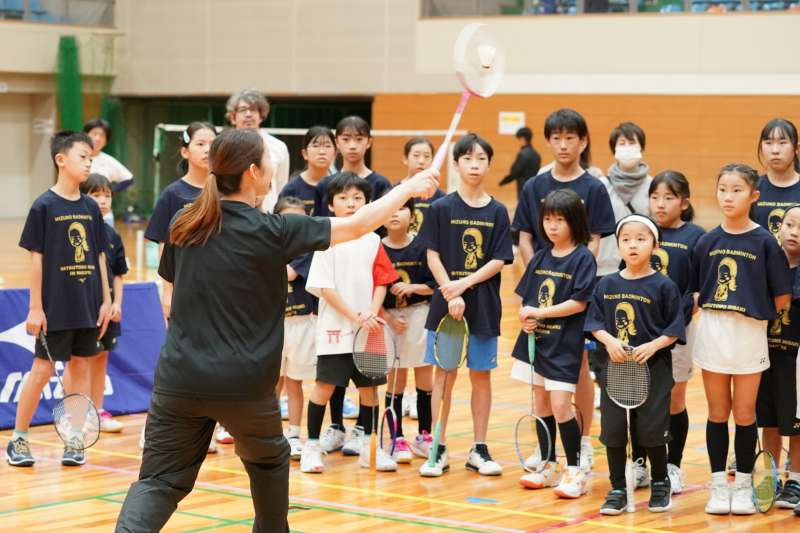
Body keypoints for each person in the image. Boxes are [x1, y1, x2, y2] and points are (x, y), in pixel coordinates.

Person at [114, 128, 439, 532]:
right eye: (269, 162)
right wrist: (407, 187)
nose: (273, 169)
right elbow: (357, 226)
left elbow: (172, 290)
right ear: (253, 171)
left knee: (159, 482)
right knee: (268, 466)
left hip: (179, 378)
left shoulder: (185, 223)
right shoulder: (273, 230)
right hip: (246, 385)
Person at [513, 109, 616, 471]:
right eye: (556, 137)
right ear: (548, 141)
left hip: (577, 289)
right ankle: (546, 450)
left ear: (583, 141)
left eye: (570, 137)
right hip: (541, 287)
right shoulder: (534, 186)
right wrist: (540, 278)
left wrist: (571, 277)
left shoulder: (594, 187)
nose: (563, 144)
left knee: (579, 366)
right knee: (540, 371)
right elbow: (525, 238)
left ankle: (582, 442)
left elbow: (595, 239)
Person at [691, 163, 792, 515]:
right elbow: (695, 290)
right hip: (713, 331)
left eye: (737, 190)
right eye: (723, 189)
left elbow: (782, 294)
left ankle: (745, 485)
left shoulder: (764, 241)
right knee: (718, 413)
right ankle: (719, 485)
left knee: (746, 414)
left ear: (754, 196)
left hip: (749, 334)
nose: (728, 196)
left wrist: (754, 315)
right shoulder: (706, 241)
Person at [6, 131, 111, 468]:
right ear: (61, 160)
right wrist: (35, 307)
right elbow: (36, 261)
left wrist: (106, 300)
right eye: (83, 156)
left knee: (80, 368)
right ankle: (18, 438)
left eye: (91, 158)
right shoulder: (44, 206)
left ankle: (74, 436)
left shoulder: (91, 208)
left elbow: (99, 256)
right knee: (42, 369)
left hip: (88, 303)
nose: (89, 163)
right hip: (55, 306)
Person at [417, 133, 514, 478]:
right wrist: (450, 292)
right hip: (446, 304)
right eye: (468, 159)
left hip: (483, 304)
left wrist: (463, 285)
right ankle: (438, 446)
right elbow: (432, 255)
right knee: (444, 374)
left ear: (489, 164)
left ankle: (479, 448)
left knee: (481, 376)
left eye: (481, 159)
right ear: (456, 164)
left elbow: (499, 260)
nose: (475, 165)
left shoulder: (498, 211)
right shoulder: (441, 208)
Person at [300, 172, 400, 474]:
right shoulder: (325, 240)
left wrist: (370, 311)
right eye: (343, 198)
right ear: (331, 205)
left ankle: (370, 448)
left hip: (369, 330)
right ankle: (311, 447)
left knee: (369, 391)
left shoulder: (373, 240)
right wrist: (353, 315)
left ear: (367, 203)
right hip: (335, 330)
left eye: (357, 198)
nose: (351, 203)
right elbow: (324, 287)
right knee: (324, 387)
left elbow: (382, 280)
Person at [586, 214, 685, 515]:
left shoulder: (664, 286)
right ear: (618, 245)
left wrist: (652, 346)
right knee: (614, 430)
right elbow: (594, 323)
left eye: (641, 239)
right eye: (626, 239)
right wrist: (609, 342)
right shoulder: (606, 283)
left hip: (654, 370)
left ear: (655, 246)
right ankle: (617, 488)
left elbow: (674, 329)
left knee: (652, 430)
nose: (633, 245)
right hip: (615, 369)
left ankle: (660, 482)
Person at [512, 189, 596, 498]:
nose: (553, 226)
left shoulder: (583, 258)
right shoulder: (540, 256)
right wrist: (526, 317)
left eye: (560, 220)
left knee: (561, 405)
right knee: (542, 404)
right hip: (537, 341)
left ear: (574, 221)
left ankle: (575, 471)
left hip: (564, 345)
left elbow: (579, 302)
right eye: (548, 219)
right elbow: (528, 298)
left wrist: (541, 313)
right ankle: (548, 465)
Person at [141, 122, 219, 452]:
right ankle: (155, 427)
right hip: (183, 293)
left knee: (214, 361)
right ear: (185, 151)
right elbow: (164, 248)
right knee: (177, 362)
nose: (207, 149)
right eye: (200, 143)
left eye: (212, 143)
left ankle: (208, 428)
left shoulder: (222, 191)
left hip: (216, 294)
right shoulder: (173, 194)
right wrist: (168, 292)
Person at [647, 170, 705, 495]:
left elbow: (701, 284)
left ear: (684, 203)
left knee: (674, 398)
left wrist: (691, 304)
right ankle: (641, 461)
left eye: (668, 198)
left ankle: (673, 465)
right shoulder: (643, 230)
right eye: (655, 197)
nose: (660, 204)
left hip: (678, 330)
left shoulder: (696, 236)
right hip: (643, 329)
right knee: (644, 399)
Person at [380, 198, 436, 463]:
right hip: (389, 319)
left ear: (412, 217)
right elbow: (371, 290)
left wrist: (413, 288)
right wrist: (388, 319)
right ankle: (397, 437)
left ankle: (425, 435)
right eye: (391, 209)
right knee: (396, 379)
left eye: (402, 208)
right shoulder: (376, 249)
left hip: (419, 315)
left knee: (425, 376)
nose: (395, 214)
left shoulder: (423, 247)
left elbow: (435, 285)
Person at [74, 173, 129, 434]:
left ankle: (97, 411)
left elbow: (118, 273)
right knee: (79, 360)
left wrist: (117, 303)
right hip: (84, 307)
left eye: (107, 195)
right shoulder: (75, 231)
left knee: (101, 357)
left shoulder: (112, 235)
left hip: (108, 309)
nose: (103, 200)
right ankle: (77, 414)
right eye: (96, 195)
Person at [756, 205, 800, 510]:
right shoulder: (765, 266)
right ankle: (770, 478)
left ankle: (795, 480)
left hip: (795, 360)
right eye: (789, 224)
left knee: (797, 424)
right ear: (778, 227)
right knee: (768, 422)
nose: (794, 232)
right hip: (764, 355)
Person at [274, 196, 318, 460]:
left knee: (294, 382)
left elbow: (286, 274)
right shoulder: (268, 244)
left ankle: (293, 433)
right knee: (272, 382)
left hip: (300, 323)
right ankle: (270, 433)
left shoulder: (306, 249)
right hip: (273, 323)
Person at [225, 89, 290, 214]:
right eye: (243, 110)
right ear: (233, 117)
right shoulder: (223, 146)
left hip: (269, 215)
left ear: (261, 116)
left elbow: (282, 187)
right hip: (233, 214)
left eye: (253, 109)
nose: (248, 114)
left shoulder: (279, 146)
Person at [314, 116, 392, 217]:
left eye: (359, 139)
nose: (352, 146)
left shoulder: (381, 183)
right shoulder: (325, 184)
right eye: (346, 139)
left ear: (369, 142)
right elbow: (318, 222)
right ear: (337, 142)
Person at [751, 118, 800, 238]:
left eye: (782, 143)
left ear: (796, 148)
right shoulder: (752, 189)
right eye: (768, 143)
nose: (775, 150)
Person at [279, 126, 336, 215]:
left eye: (327, 146)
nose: (322, 151)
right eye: (315, 146)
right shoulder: (291, 189)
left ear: (335, 153)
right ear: (305, 153)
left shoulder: (341, 186)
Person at [399, 137, 445, 236]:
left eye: (427, 156)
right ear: (405, 159)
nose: (421, 161)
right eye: (416, 155)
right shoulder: (395, 191)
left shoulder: (440, 196)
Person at [84, 118, 134, 193]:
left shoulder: (109, 161)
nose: (97, 138)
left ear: (106, 142)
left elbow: (129, 179)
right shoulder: (75, 156)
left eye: (102, 135)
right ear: (85, 135)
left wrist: (108, 192)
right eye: (94, 134)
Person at [499, 126, 541, 201]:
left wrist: (504, 181)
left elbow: (515, 172)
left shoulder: (523, 154)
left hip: (523, 189)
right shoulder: (536, 155)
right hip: (534, 189)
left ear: (522, 139)